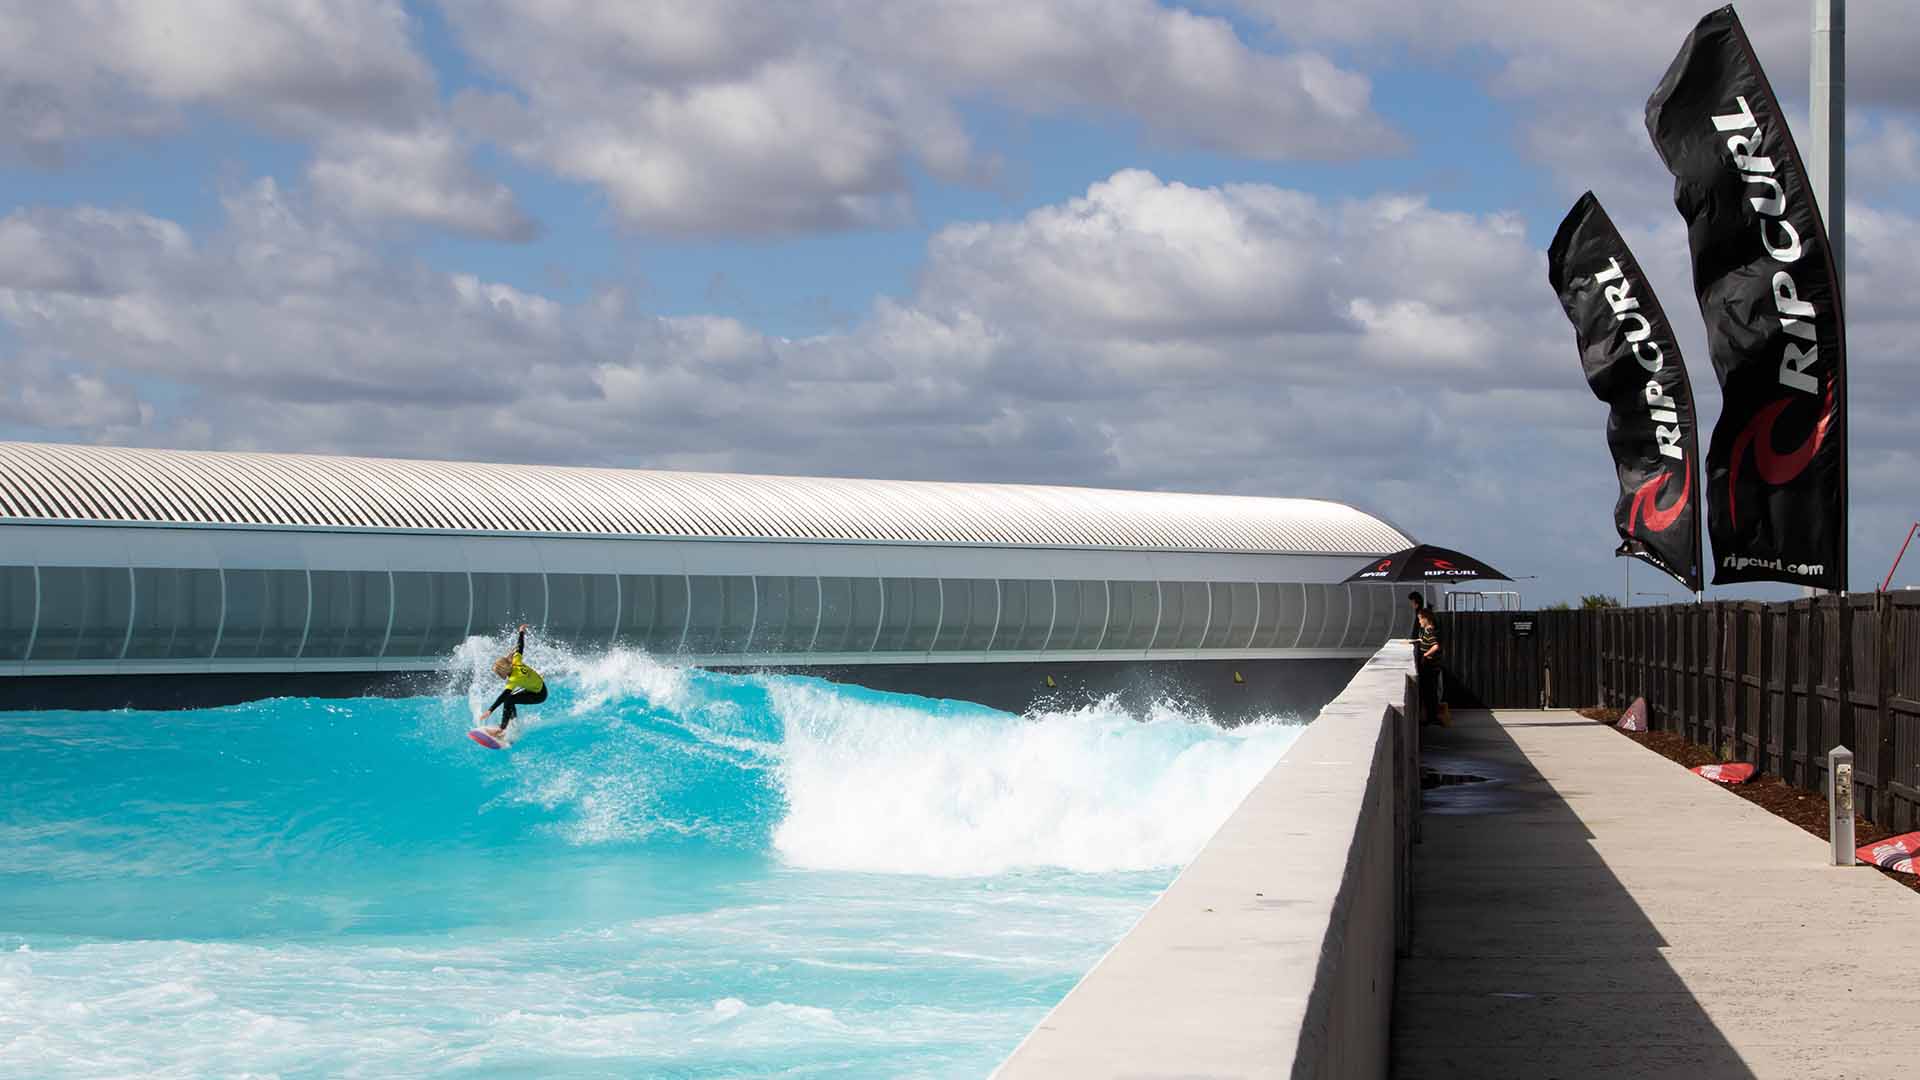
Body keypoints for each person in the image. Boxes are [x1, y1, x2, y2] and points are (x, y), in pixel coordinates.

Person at [478, 623, 546, 740]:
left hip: (539, 695)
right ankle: (512, 724)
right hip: (538, 686)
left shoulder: (514, 679)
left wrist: (490, 710)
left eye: (498, 673)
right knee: (511, 699)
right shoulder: (516, 661)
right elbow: (520, 646)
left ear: (503, 671)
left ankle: (502, 729)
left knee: (509, 698)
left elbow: (503, 696)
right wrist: (521, 632)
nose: (498, 675)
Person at [1415, 607, 1448, 726]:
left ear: (1426, 619)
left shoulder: (1430, 631)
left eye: (1420, 619)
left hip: (1430, 667)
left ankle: (1431, 717)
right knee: (1430, 692)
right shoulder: (1428, 632)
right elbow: (1425, 640)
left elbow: (1435, 646)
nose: (1419, 622)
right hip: (1430, 666)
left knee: (1430, 693)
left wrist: (1425, 654)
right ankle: (1431, 716)